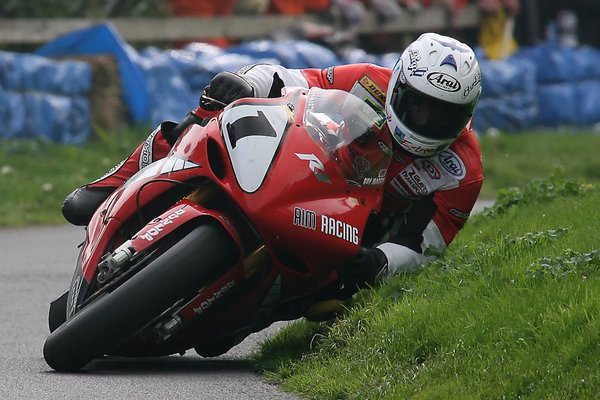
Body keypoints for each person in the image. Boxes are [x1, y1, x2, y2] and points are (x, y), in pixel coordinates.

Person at [62, 32, 483, 295]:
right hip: (310, 167)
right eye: (418, 106)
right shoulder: (368, 79)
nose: (426, 122)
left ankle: (250, 306)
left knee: (335, 299)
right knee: (204, 115)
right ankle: (113, 183)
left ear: (464, 116)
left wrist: (382, 262)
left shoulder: (463, 168)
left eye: (441, 115)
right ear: (399, 86)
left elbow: (426, 245)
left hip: (357, 225)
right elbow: (293, 79)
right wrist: (247, 82)